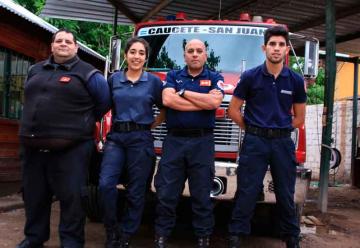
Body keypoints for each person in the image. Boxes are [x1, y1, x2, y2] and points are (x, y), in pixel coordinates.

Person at [17, 28, 111, 248]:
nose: (63, 44)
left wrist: (80, 124)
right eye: (58, 40)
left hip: (72, 150)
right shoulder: (35, 70)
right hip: (33, 149)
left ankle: (71, 242)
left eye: (68, 41)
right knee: (34, 197)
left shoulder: (89, 73)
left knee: (72, 200)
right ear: (52, 46)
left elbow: (104, 103)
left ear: (76, 47)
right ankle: (34, 238)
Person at [227, 26, 306, 248]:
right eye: (272, 44)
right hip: (255, 142)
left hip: (282, 143)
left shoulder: (295, 80)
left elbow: (299, 118)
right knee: (247, 191)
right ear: (264, 48)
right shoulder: (250, 77)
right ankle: (236, 237)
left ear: (286, 50)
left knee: (285, 192)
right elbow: (233, 110)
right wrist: (253, 129)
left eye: (281, 44)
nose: (276, 49)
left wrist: (279, 128)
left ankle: (292, 238)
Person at [154, 39, 224, 248]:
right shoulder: (174, 75)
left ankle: (203, 237)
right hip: (174, 140)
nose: (195, 54)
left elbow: (214, 103)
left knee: (202, 193)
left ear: (205, 54)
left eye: (199, 51)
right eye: (190, 51)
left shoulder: (214, 76)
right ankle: (161, 235)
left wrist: (183, 93)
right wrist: (203, 102)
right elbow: (168, 101)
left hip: (202, 142)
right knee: (166, 192)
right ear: (184, 55)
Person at [98, 37, 164, 248]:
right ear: (126, 55)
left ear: (146, 57)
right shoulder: (114, 79)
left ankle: (126, 234)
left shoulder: (154, 82)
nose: (137, 57)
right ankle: (111, 230)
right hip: (116, 139)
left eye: (141, 53)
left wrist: (151, 125)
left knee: (136, 191)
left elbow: (165, 108)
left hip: (141, 140)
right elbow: (104, 107)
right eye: (133, 52)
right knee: (106, 185)